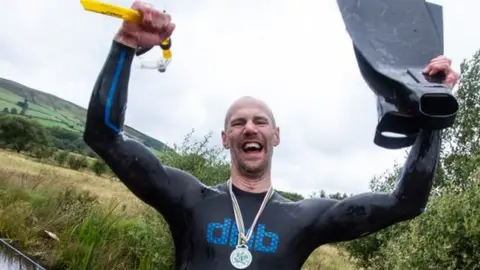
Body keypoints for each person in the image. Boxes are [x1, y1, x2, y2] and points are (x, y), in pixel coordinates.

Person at [83, 1, 460, 269]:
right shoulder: (187, 199)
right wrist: (126, 44)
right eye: (238, 122)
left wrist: (431, 112)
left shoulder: (305, 217)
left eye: (260, 121)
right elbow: (104, 137)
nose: (249, 127)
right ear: (225, 137)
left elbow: (407, 203)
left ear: (275, 136)